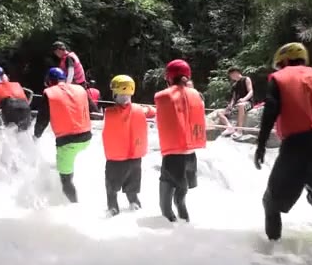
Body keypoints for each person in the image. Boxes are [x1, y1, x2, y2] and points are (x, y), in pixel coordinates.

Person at [253, 42, 312, 244]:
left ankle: (273, 254)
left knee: (270, 202)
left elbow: (270, 111)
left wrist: (261, 145)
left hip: (297, 145)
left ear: (283, 61)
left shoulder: (280, 78)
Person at [154, 59, 206, 222]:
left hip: (173, 156)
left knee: (166, 205)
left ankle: (170, 221)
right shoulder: (197, 95)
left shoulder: (162, 96)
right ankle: (185, 222)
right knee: (181, 197)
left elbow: (159, 117)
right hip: (191, 155)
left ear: (169, 77)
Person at [33, 67, 91, 203]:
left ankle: (74, 207)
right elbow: (91, 107)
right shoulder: (79, 89)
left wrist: (36, 136)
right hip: (87, 137)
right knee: (67, 161)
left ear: (49, 81)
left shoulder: (49, 93)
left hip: (68, 142)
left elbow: (43, 119)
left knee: (65, 180)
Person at [102, 75, 156, 217]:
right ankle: (134, 203)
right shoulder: (141, 111)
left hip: (116, 161)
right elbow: (152, 111)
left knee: (111, 188)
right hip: (135, 159)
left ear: (114, 92)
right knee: (132, 187)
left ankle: (113, 208)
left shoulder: (109, 113)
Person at [51, 41, 97, 112]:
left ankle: (96, 113)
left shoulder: (68, 58)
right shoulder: (67, 57)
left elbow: (71, 72)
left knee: (85, 100)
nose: (56, 54)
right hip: (78, 83)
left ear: (59, 50)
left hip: (77, 83)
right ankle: (96, 112)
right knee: (85, 99)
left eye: (56, 52)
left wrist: (66, 85)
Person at [218, 66, 254, 139]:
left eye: (231, 75)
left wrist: (244, 99)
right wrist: (230, 105)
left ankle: (239, 130)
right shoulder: (234, 85)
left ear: (235, 73)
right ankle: (230, 127)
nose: (230, 77)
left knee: (241, 105)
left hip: (248, 103)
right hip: (237, 105)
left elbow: (251, 91)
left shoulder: (246, 79)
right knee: (220, 113)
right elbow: (234, 98)